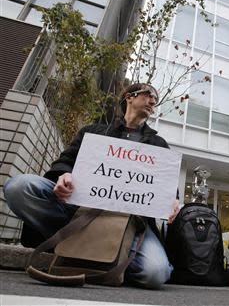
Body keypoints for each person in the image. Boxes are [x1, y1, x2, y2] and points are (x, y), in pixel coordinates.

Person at [4, 83, 179, 289]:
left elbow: (166, 185)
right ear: (129, 97)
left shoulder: (158, 145)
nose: (153, 101)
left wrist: (172, 200)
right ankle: (72, 240)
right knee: (18, 187)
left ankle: (109, 254)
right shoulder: (93, 132)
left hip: (132, 223)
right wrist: (63, 175)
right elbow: (65, 161)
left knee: (155, 273)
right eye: (149, 94)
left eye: (155, 99)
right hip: (78, 212)